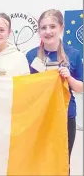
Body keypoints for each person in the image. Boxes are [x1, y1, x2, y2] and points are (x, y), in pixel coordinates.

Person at [26, 9, 83, 169]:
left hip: (65, 115)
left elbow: (80, 88)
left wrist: (68, 78)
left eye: (52, 26)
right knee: (40, 160)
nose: (48, 31)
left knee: (62, 161)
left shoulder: (74, 54)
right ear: (39, 31)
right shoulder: (31, 56)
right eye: (43, 27)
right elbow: (26, 89)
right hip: (39, 116)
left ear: (61, 28)